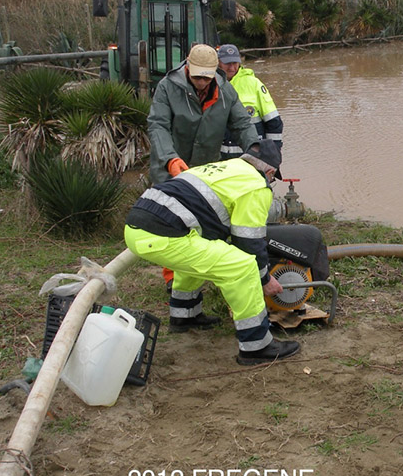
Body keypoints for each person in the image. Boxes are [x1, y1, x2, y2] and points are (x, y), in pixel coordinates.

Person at [124, 140, 300, 365]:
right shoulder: (256, 184)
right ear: (270, 171)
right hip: (161, 234)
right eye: (273, 178)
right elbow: (249, 241)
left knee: (203, 249)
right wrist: (265, 279)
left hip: (137, 226)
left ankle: (185, 316)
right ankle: (257, 345)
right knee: (243, 266)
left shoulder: (225, 167)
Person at [147, 43, 259, 185]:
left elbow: (242, 124)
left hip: (207, 172)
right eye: (197, 77)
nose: (201, 82)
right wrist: (170, 159)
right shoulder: (166, 88)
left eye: (206, 78)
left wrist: (255, 149)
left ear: (215, 70)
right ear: (188, 66)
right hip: (169, 172)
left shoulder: (226, 91)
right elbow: (158, 126)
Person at [217, 44, 283, 159]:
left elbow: (274, 122)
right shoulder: (210, 84)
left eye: (235, 63)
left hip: (251, 158)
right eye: (227, 63)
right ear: (218, 62)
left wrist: (273, 154)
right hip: (220, 161)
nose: (232, 68)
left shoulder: (254, 84)